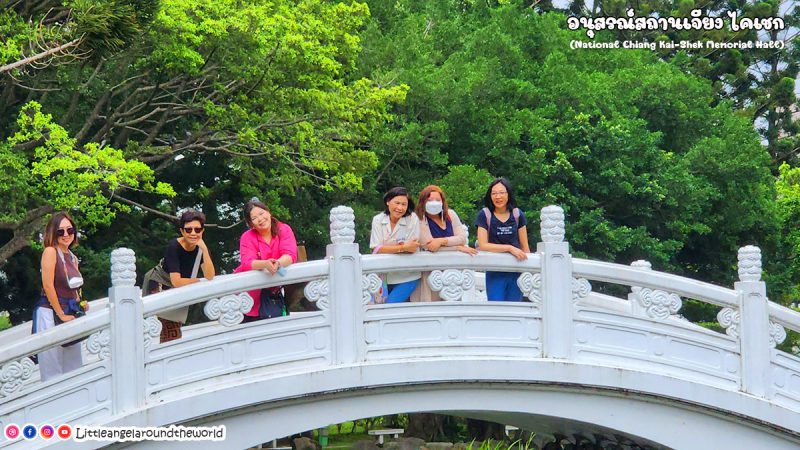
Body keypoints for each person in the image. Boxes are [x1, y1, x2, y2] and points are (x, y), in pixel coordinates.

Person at [32, 212, 86, 381]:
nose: (66, 235)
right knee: (52, 369)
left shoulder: (72, 257)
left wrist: (80, 303)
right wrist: (60, 313)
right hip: (50, 313)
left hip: (69, 311)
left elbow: (72, 288)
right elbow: (48, 285)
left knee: (74, 367)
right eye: (60, 231)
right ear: (52, 233)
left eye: (70, 230)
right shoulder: (50, 252)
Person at [234, 199, 298, 321]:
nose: (260, 219)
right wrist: (265, 264)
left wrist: (278, 263)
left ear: (268, 212)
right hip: (248, 295)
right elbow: (247, 263)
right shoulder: (247, 237)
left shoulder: (283, 229)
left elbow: (290, 255)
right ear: (250, 223)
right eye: (254, 218)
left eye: (261, 213)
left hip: (273, 294)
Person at [159, 210, 216, 341]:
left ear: (202, 231)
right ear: (182, 231)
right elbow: (176, 281)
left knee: (174, 329)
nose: (193, 233)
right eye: (188, 230)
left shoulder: (199, 248)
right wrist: (195, 281)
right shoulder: (174, 246)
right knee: (167, 328)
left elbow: (210, 275)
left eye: (197, 230)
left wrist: (204, 249)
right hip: (161, 283)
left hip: (180, 287)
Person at [416, 185, 477, 301]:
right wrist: (457, 248)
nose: (434, 203)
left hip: (452, 271)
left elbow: (462, 238)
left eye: (437, 200)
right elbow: (430, 246)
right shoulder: (419, 219)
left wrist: (441, 241)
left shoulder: (450, 215)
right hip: (431, 271)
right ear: (423, 202)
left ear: (443, 201)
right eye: (429, 200)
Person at [475, 178, 530, 301]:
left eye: (501, 193)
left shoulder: (517, 215)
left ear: (508, 194)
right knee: (496, 307)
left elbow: (525, 247)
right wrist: (509, 248)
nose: (498, 197)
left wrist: (528, 271)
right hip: (495, 270)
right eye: (494, 193)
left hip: (516, 270)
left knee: (514, 309)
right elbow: (483, 245)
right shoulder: (485, 215)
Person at [370, 187, 421, 303]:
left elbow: (412, 248)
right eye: (397, 203)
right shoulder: (378, 219)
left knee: (388, 307)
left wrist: (387, 248)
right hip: (383, 276)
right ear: (388, 201)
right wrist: (402, 247)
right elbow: (376, 248)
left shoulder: (412, 219)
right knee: (377, 308)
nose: (400, 208)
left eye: (404, 204)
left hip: (408, 275)